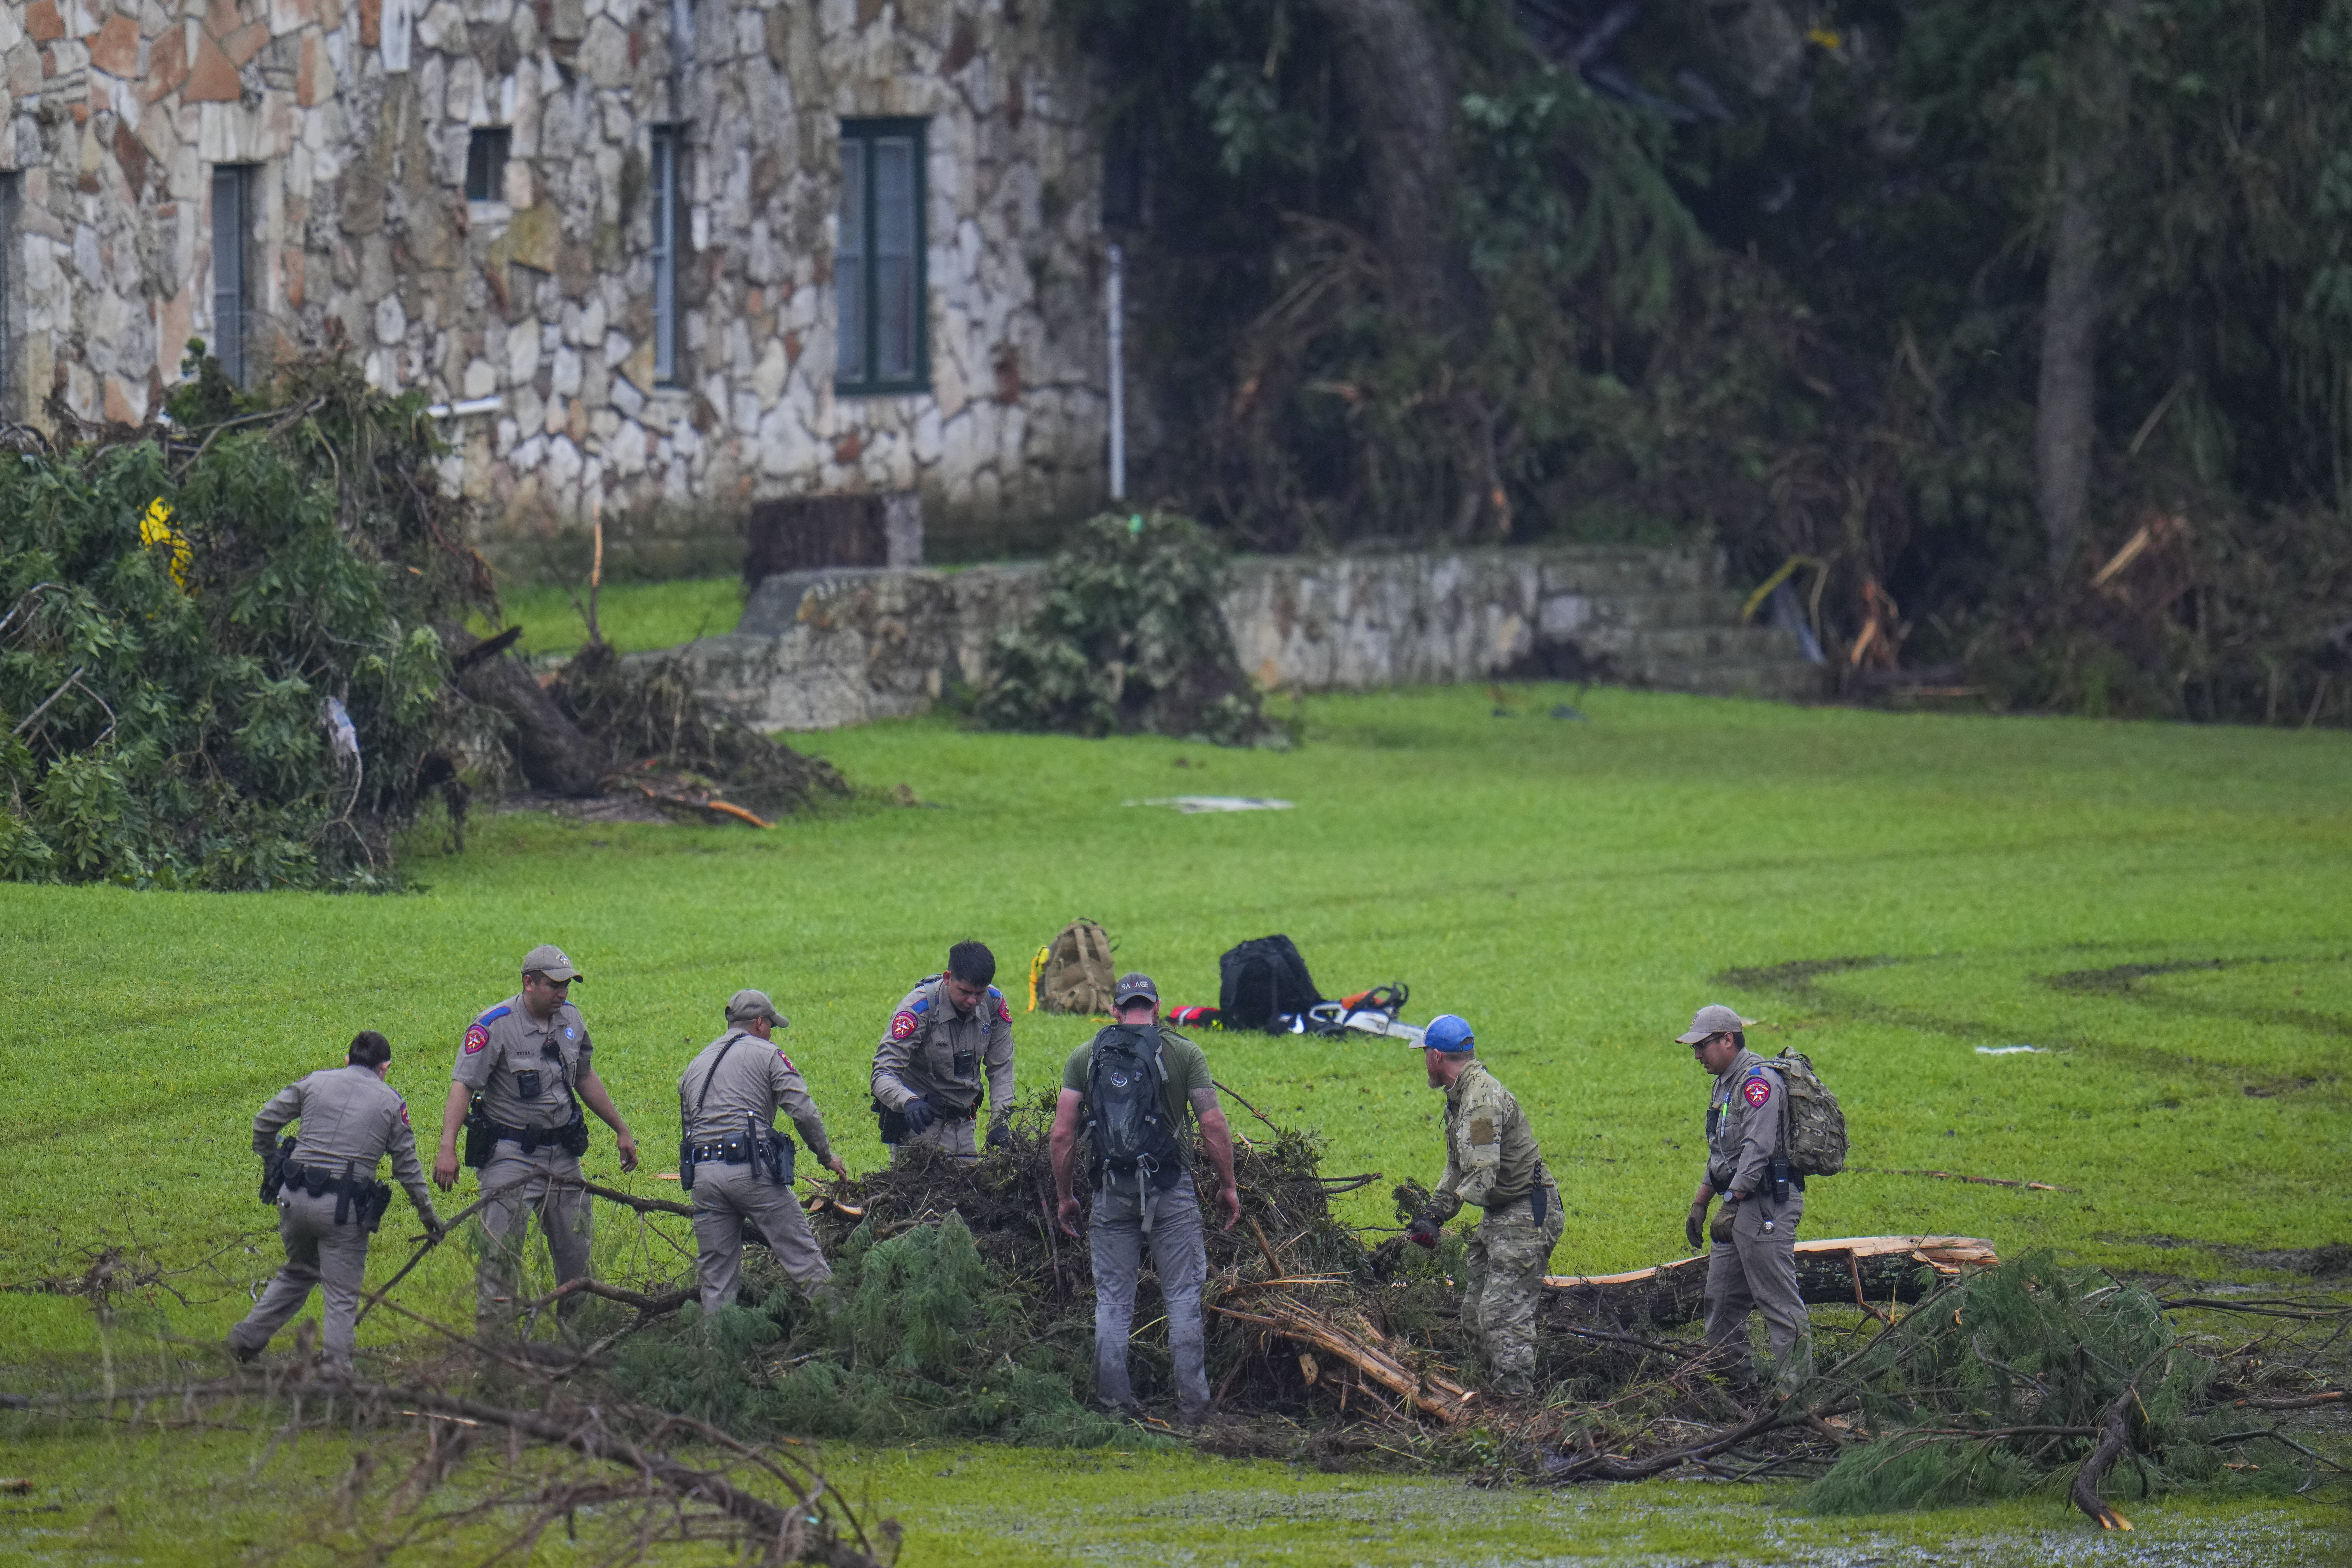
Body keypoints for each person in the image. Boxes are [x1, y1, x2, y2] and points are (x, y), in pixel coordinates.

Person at [1050, 972, 1241, 1424]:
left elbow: (1062, 1136)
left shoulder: (1087, 1055)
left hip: (1110, 1194)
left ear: (1115, 1010)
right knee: (1181, 1297)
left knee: (1114, 1302)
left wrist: (1065, 1197)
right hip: (1170, 1191)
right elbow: (1213, 1126)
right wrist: (1228, 1185)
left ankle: (1114, 1406)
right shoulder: (1184, 1052)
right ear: (1157, 1008)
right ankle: (1194, 1407)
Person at [432, 944, 640, 1332]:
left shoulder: (572, 1020)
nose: (563, 993)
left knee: (577, 1253)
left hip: (564, 1154)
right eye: (554, 985)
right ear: (529, 983)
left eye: (567, 985)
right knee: (500, 1254)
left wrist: (621, 1129)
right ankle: (495, 1347)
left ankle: (581, 1339)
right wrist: (447, 1149)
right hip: (510, 1156)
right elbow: (463, 1086)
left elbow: (584, 1076)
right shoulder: (494, 1025)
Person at [228, 1030, 441, 1370]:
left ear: (347, 1060)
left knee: (299, 1271)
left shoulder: (315, 1082)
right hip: (343, 1212)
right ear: (385, 1067)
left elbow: (263, 1123)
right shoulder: (391, 1102)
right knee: (341, 1295)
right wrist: (428, 1214)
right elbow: (408, 1169)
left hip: (294, 1199)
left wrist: (274, 1164)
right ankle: (336, 1374)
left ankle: (245, 1339)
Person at [1402, 1014, 1564, 1398]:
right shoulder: (1459, 1098)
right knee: (1474, 1315)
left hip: (1528, 1211)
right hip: (1500, 1211)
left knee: (1502, 1316)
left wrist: (1442, 1216)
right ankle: (1483, 1396)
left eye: (1424, 1054)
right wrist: (1432, 1213)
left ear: (1437, 1056)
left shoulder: (1481, 1103)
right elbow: (1457, 1166)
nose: (1423, 1061)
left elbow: (1483, 1174)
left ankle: (1515, 1405)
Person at [679, 988, 849, 1312]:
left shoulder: (695, 1064)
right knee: (804, 1259)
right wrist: (826, 1156)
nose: (771, 1033)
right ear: (760, 1023)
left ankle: (717, 1357)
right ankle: (848, 1329)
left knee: (716, 1283)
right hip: (750, 1171)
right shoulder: (768, 1053)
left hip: (703, 1177)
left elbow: (689, 1129)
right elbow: (802, 1111)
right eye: (771, 1025)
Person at [1679, 1002, 1811, 1398]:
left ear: (1728, 1040)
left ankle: (1796, 1396)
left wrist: (1732, 1202)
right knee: (1720, 1302)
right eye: (1694, 1048)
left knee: (1778, 1302)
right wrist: (1701, 1202)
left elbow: (1756, 1151)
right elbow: (1723, 1153)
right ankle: (1740, 1390)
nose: (1697, 1055)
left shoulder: (1758, 1084)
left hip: (1765, 1205)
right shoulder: (1724, 1083)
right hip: (1734, 1208)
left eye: (1703, 1046)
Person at [871, 940, 1016, 1165]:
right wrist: (908, 1101)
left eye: (979, 993)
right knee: (921, 1197)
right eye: (965, 992)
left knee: (972, 1194)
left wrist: (1001, 1122)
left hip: (965, 1123)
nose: (972, 1001)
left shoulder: (993, 1004)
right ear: (948, 978)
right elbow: (882, 1073)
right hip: (920, 1125)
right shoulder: (918, 1010)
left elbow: (1002, 1068)